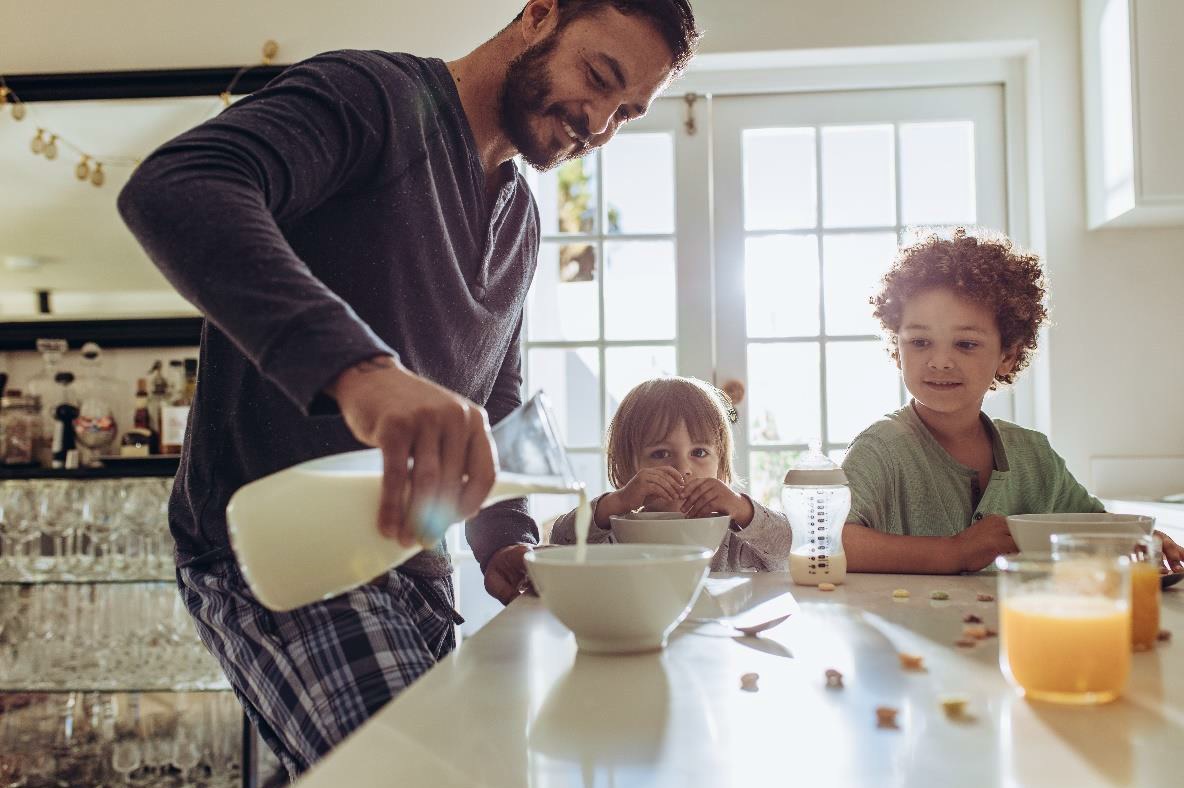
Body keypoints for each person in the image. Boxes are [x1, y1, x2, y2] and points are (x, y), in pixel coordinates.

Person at [117, 0, 700, 775]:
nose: (598, 123)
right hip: (284, 550)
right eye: (598, 78)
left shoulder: (520, 220)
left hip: (414, 570)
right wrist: (362, 373)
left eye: (626, 112)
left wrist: (505, 539)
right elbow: (177, 187)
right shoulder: (375, 99)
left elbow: (495, 399)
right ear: (539, 16)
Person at [841, 228, 1184, 574]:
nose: (940, 361)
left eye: (966, 344)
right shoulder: (880, 449)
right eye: (919, 342)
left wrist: (1134, 540)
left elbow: (1091, 527)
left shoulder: (1033, 457)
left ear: (1008, 355)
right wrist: (954, 552)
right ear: (897, 349)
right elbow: (827, 543)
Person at [551, 377, 791, 571]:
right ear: (627, 466)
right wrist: (617, 502)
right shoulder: (616, 530)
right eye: (660, 454)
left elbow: (792, 548)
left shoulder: (735, 533)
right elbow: (560, 541)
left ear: (720, 465)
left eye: (699, 452)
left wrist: (742, 509)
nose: (682, 468)